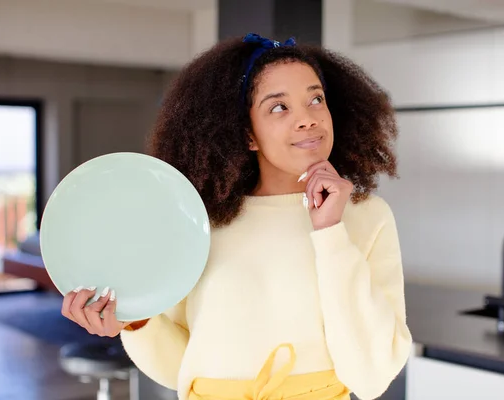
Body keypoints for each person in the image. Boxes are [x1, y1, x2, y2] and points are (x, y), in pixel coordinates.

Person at [61, 33, 413, 400]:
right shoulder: (200, 222)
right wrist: (136, 320)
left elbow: (372, 376)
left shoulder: (367, 217)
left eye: (315, 99)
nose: (308, 119)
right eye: (279, 107)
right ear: (248, 135)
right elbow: (179, 367)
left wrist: (331, 234)